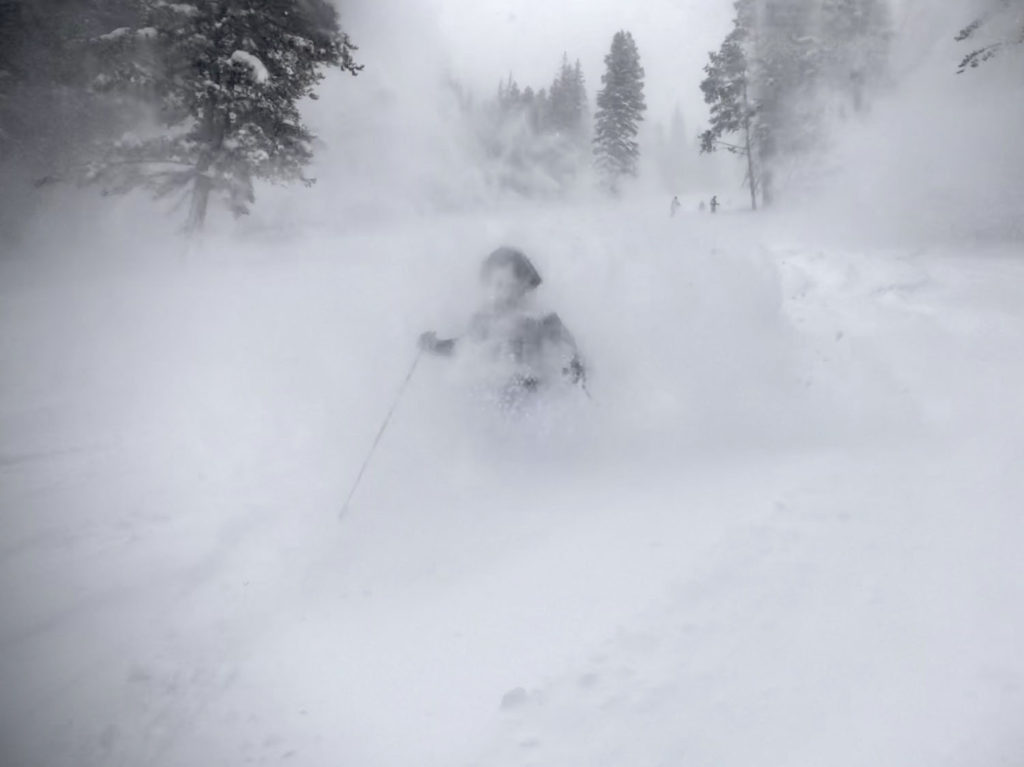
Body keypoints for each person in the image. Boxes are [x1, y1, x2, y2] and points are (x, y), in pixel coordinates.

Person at [419, 246, 587, 408]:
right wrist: (436, 346)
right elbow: (465, 348)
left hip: (532, 392)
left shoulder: (541, 317)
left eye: (510, 285)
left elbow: (568, 346)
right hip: (492, 393)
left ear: (524, 285)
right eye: (496, 285)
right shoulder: (484, 319)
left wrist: (575, 365)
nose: (502, 293)